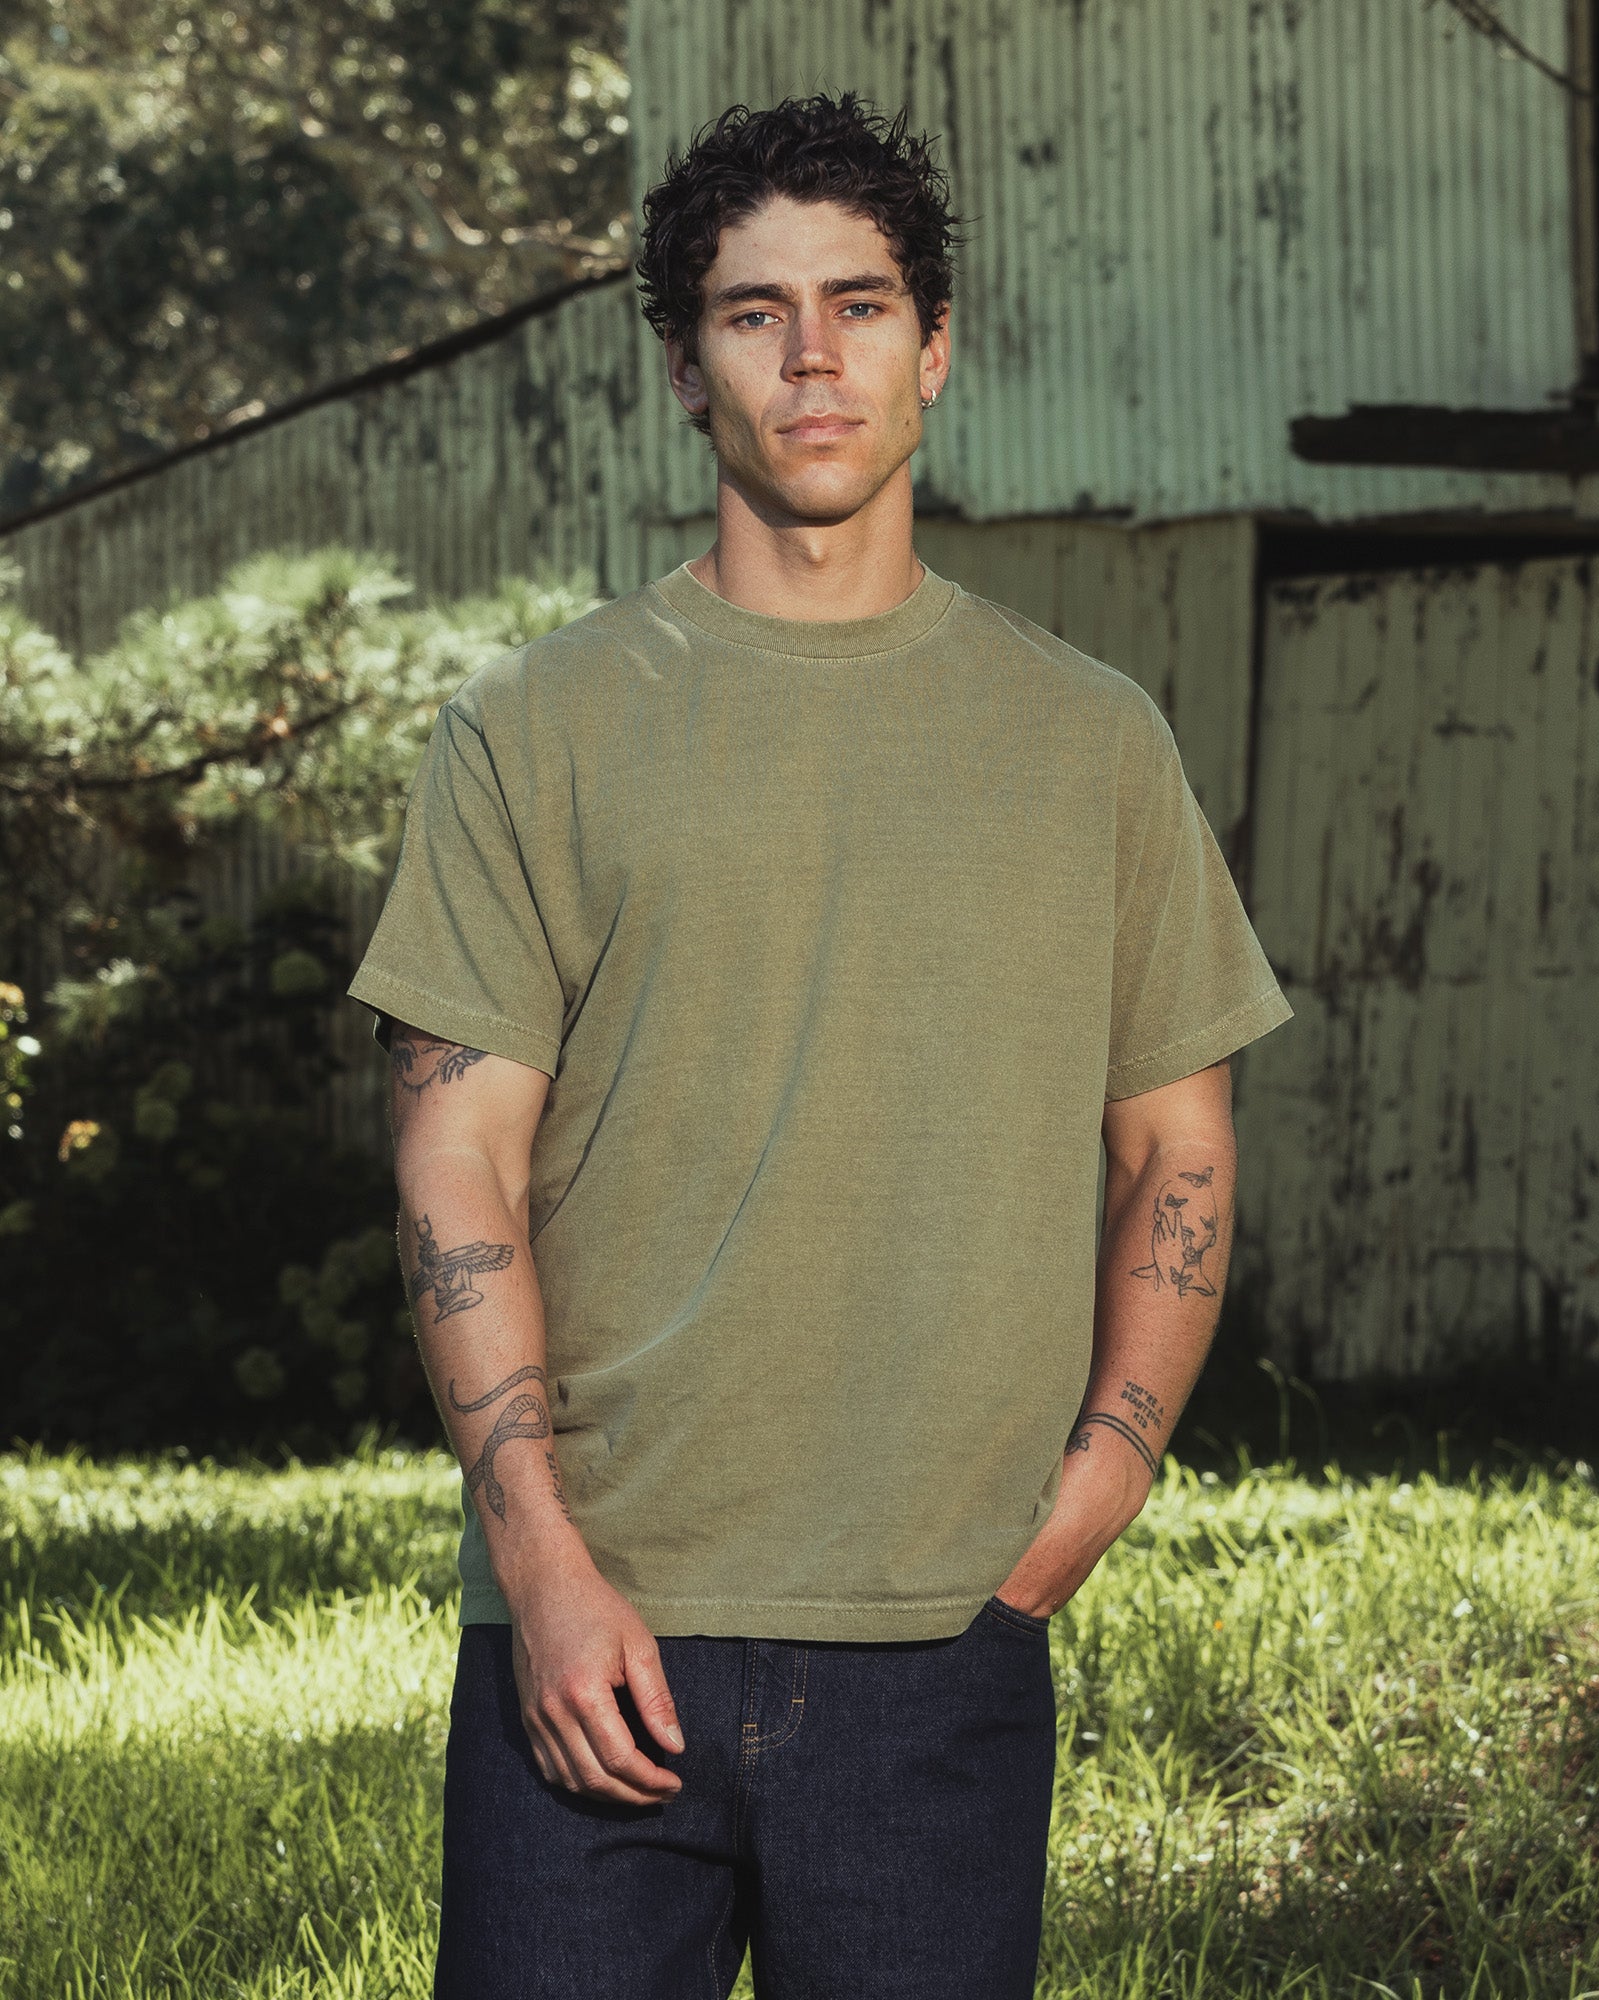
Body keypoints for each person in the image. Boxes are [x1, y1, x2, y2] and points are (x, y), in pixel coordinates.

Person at [346, 88, 1293, 2000]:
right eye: (752, 312)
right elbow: (457, 1156)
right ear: (686, 369)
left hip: (944, 1633)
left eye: (858, 306)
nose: (811, 357)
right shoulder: (533, 727)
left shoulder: (1090, 741)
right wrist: (537, 1566)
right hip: (604, 1628)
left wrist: (1103, 1475)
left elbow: (1175, 1147)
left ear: (933, 347)